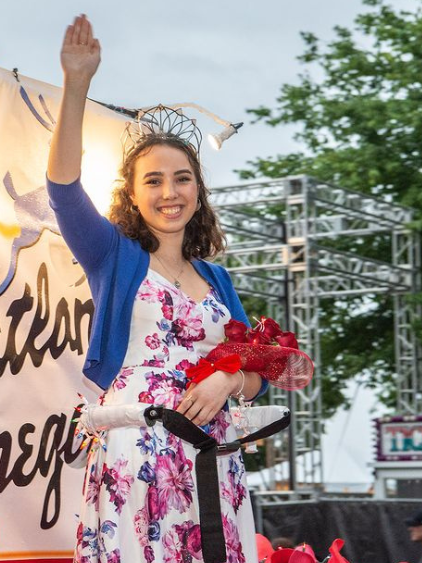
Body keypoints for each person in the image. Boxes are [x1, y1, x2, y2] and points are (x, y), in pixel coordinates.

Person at [47, 14, 267, 563]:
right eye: (154, 180)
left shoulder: (218, 279)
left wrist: (229, 379)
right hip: (136, 452)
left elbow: (261, 373)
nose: (170, 191)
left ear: (198, 190)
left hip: (211, 456)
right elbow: (63, 189)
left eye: (182, 178)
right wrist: (77, 86)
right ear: (134, 194)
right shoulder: (113, 257)